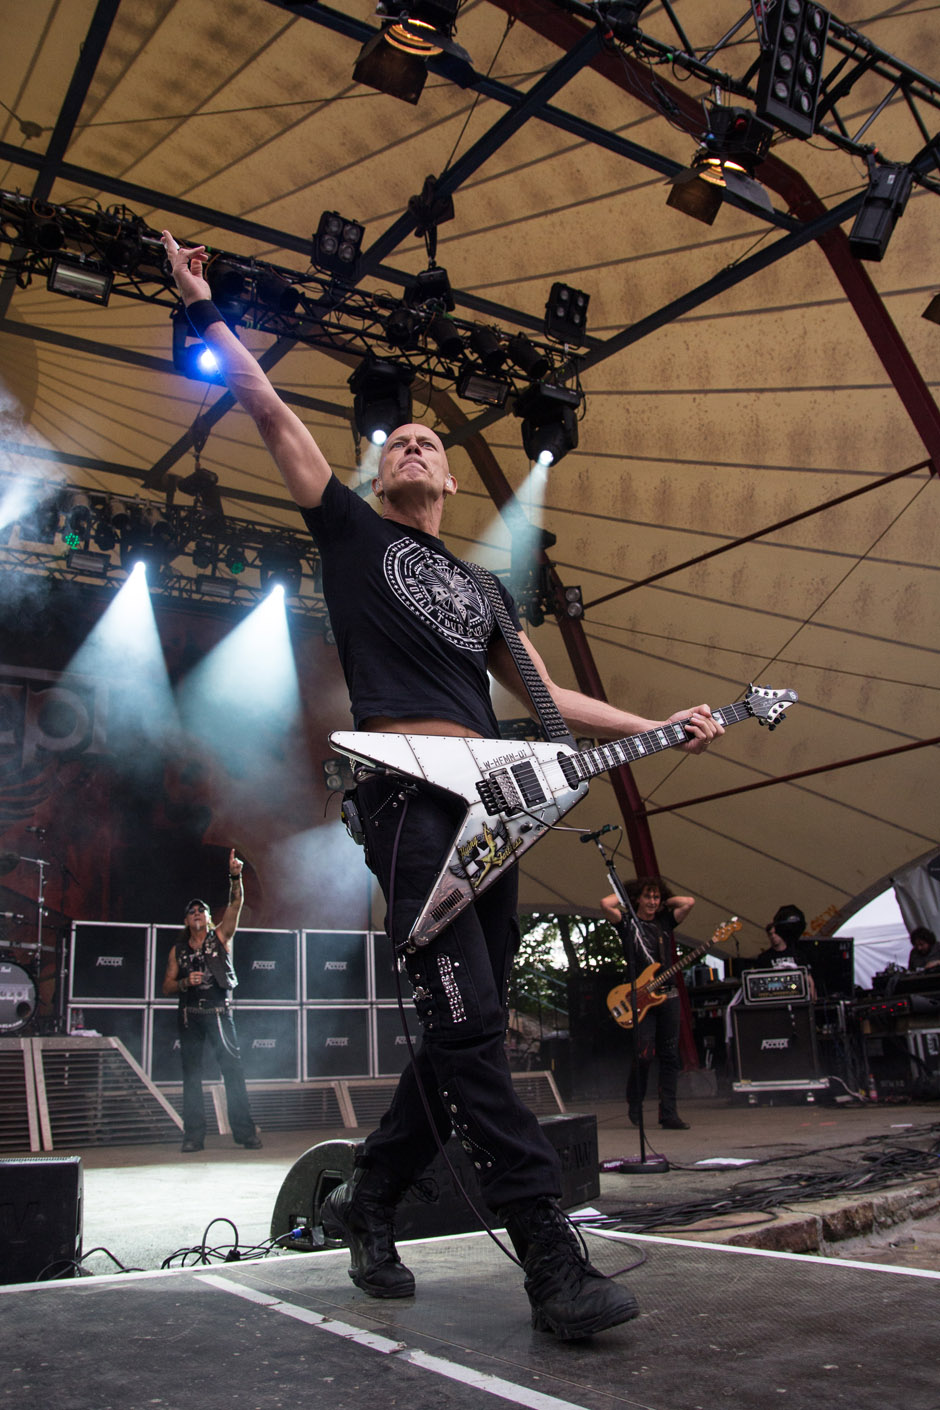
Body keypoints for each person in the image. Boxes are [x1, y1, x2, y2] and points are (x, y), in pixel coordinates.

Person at [161, 230, 723, 1339]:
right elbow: (269, 411)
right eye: (401, 440)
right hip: (407, 803)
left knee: (465, 1028)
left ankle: (368, 1199)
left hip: (494, 813)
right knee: (466, 1031)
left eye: (432, 442)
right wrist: (206, 310)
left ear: (454, 479)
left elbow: (548, 698)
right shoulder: (350, 532)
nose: (416, 444)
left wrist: (659, 726)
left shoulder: (485, 592)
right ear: (380, 471)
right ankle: (550, 1262)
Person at [161, 848, 262, 1153]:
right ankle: (193, 1136)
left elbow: (236, 904)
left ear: (207, 917)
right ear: (185, 919)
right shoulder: (178, 950)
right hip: (190, 1015)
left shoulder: (220, 937)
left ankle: (245, 1133)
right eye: (192, 911)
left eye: (201, 910)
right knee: (192, 1077)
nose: (197, 913)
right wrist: (183, 982)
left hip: (218, 1013)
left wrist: (235, 876)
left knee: (233, 1071)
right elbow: (166, 986)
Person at [601, 878, 694, 1131]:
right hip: (639, 997)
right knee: (644, 1054)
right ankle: (635, 1100)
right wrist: (628, 897)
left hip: (667, 995)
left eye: (656, 897)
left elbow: (688, 902)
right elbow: (605, 904)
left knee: (670, 1055)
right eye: (647, 897)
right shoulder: (627, 923)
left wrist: (664, 900)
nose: (652, 902)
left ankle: (669, 1114)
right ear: (638, 899)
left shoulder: (665, 922)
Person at [756, 903, 816, 1000]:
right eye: (770, 934)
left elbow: (808, 978)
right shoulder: (764, 958)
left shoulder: (797, 954)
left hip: (794, 988)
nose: (773, 936)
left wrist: (812, 998)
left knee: (793, 986)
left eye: (775, 933)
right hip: (774, 995)